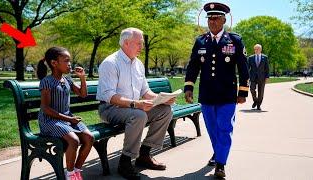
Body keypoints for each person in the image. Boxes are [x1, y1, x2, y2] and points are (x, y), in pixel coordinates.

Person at [96, 27, 175, 180]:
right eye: (138, 43)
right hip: (110, 109)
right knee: (138, 115)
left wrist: (163, 98)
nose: (142, 47)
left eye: (142, 43)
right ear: (126, 43)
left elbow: (146, 92)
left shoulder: (138, 64)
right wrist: (136, 104)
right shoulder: (110, 63)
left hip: (133, 108)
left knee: (166, 110)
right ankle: (125, 162)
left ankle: (144, 154)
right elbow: (109, 95)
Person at [184, 2, 249, 178]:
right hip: (206, 94)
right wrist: (188, 86)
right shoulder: (200, 41)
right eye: (209, 18)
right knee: (212, 129)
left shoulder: (235, 40)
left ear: (223, 19)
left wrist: (243, 91)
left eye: (216, 18)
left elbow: (243, 68)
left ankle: (220, 164)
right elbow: (193, 66)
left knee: (225, 128)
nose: (212, 22)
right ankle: (218, 152)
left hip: (227, 95)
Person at [37, 47, 94, 180]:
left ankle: (76, 170)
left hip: (66, 119)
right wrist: (69, 118)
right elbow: (45, 109)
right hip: (49, 120)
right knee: (73, 140)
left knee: (89, 138)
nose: (70, 64)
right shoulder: (47, 81)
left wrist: (82, 78)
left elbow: (83, 94)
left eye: (70, 61)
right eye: (66, 61)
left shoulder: (67, 80)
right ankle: (69, 175)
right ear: (54, 63)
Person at [248, 44, 269, 110]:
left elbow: (267, 68)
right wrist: (246, 76)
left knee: (261, 92)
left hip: (262, 77)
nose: (256, 50)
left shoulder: (265, 57)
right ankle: (255, 101)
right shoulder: (250, 58)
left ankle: (258, 105)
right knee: (252, 89)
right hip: (253, 77)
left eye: (257, 49)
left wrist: (267, 77)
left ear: (260, 50)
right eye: (255, 49)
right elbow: (247, 68)